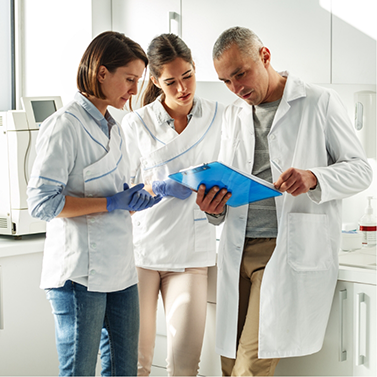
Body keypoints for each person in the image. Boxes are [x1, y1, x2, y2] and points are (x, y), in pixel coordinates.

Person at [196, 26, 373, 376]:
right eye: (226, 81)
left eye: (240, 74)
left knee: (249, 369)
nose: (237, 88)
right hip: (235, 249)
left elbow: (361, 171)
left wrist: (314, 177)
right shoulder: (234, 114)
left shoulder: (318, 102)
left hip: (283, 252)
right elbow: (229, 182)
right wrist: (212, 208)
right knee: (230, 366)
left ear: (265, 56)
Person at [27, 31, 162, 376]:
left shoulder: (114, 128)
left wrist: (135, 199)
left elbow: (112, 195)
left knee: (123, 370)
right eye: (129, 79)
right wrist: (111, 202)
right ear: (102, 72)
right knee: (80, 371)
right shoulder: (64, 125)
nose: (134, 91)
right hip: (78, 273)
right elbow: (42, 203)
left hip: (120, 269)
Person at [121, 33, 224, 376]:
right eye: (171, 81)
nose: (182, 88)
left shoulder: (220, 117)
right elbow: (122, 192)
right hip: (142, 251)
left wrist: (217, 204)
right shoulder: (136, 123)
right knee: (135, 363)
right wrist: (157, 188)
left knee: (184, 364)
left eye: (188, 76)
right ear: (154, 81)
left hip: (192, 252)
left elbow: (231, 179)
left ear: (196, 68)